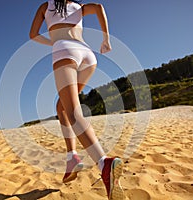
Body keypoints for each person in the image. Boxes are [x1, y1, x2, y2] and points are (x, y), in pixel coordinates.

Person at [30, 0, 124, 199]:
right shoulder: (79, 7)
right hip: (87, 55)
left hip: (64, 50)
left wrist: (53, 41)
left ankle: (104, 163)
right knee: (61, 106)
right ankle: (71, 157)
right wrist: (106, 39)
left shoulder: (45, 6)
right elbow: (99, 7)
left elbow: (32, 35)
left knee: (73, 112)